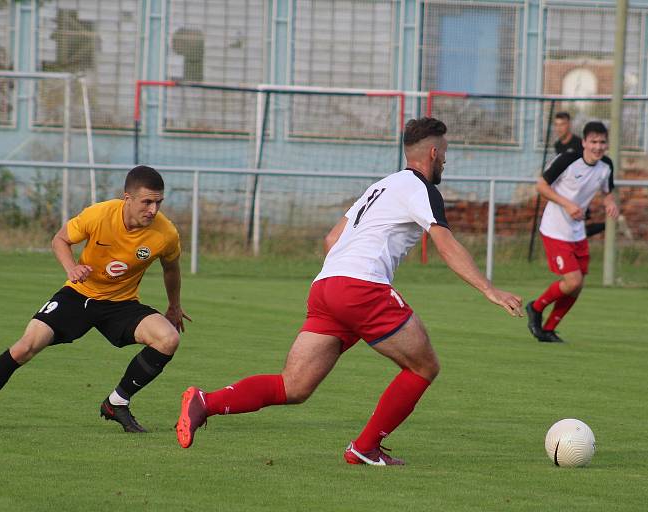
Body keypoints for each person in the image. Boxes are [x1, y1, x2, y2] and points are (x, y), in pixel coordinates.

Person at [174, 118, 523, 466]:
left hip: (326, 286)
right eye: (445, 153)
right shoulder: (422, 189)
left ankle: (207, 402)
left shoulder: (380, 187)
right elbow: (445, 245)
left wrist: (347, 291)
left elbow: (331, 239)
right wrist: (489, 289)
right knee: (423, 367)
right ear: (433, 152)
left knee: (293, 386)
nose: (446, 160)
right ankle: (365, 448)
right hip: (360, 288)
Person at [0, 165, 189, 433]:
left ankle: (116, 402)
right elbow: (60, 239)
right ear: (128, 198)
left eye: (159, 202)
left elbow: (171, 268)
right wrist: (72, 269)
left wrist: (174, 306)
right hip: (78, 295)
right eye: (147, 202)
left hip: (120, 303)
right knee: (25, 347)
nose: (153, 210)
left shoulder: (166, 233)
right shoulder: (99, 214)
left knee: (168, 338)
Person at [526, 122, 619, 343]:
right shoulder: (568, 160)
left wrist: (610, 203)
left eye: (602, 142)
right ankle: (536, 307)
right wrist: (567, 204)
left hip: (577, 233)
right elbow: (541, 186)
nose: (598, 147)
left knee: (577, 287)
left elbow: (607, 191)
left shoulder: (606, 165)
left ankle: (548, 329)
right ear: (584, 142)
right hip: (555, 229)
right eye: (594, 142)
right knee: (573, 281)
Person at [553, 111, 605, 237]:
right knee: (574, 228)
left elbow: (590, 162)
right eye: (557, 125)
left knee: (577, 227)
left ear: (569, 125)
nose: (559, 128)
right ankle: (610, 224)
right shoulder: (558, 145)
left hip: (580, 188)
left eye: (562, 124)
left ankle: (610, 224)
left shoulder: (579, 143)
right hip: (567, 190)